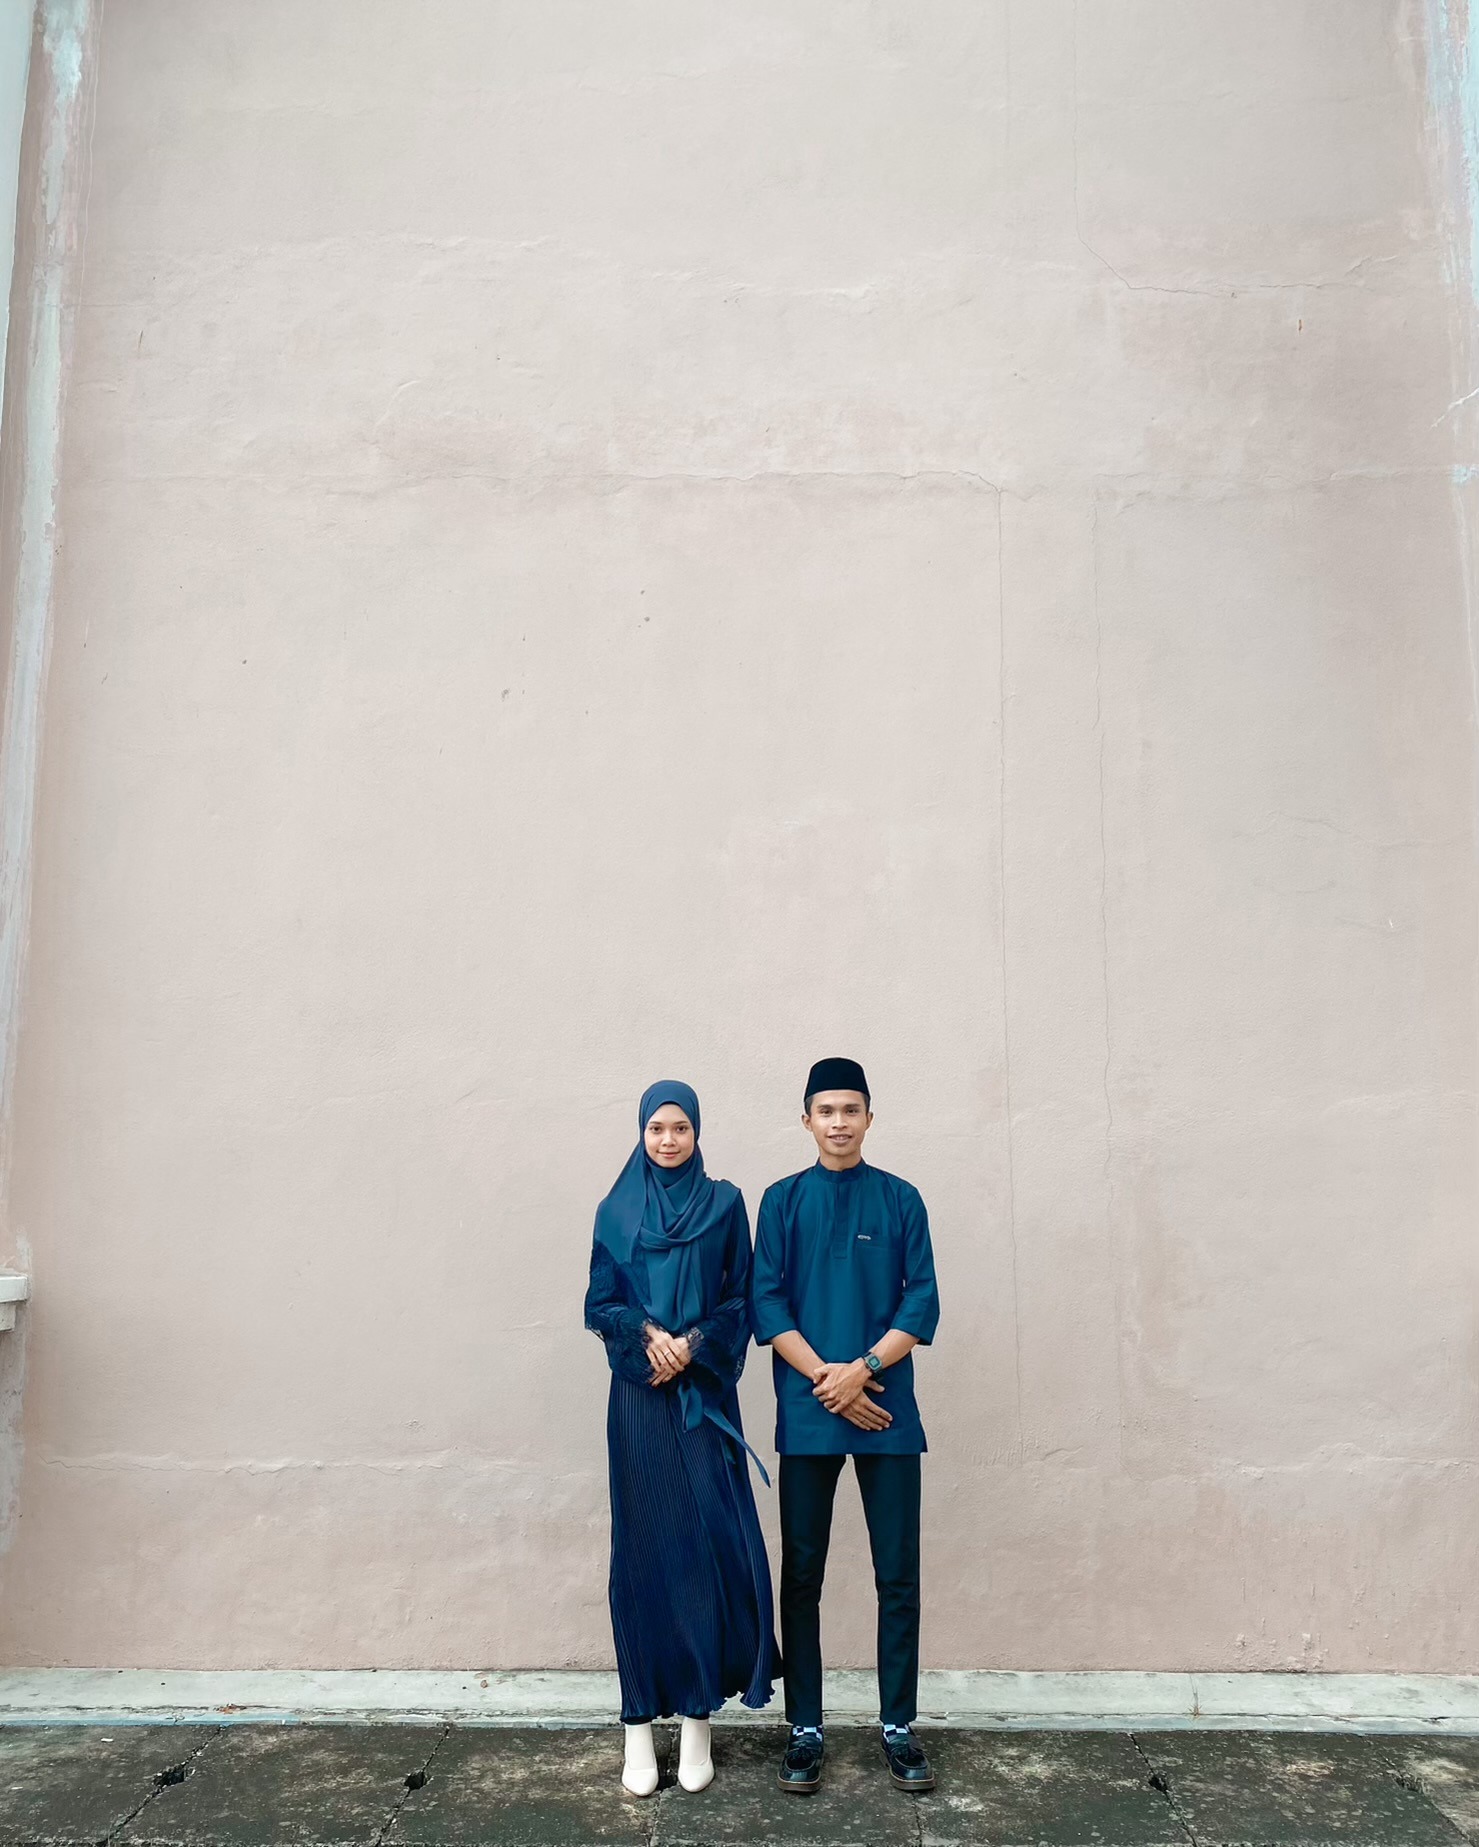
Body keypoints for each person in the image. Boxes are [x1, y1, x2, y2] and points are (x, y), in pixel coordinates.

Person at [750, 1057, 941, 1795]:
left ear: (869, 1118)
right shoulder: (781, 1201)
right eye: (825, 1110)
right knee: (801, 1574)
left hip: (885, 1407)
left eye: (850, 1109)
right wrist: (829, 1381)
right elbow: (768, 1303)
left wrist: (861, 1368)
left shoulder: (901, 1199)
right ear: (806, 1120)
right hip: (809, 1411)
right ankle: (805, 1727)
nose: (838, 1122)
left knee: (898, 1573)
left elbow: (920, 1301)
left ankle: (897, 1724)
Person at [584, 1080, 779, 1797]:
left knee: (705, 1550)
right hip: (639, 1399)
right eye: (656, 1128)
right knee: (639, 1557)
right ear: (641, 1132)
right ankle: (637, 1724)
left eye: (680, 1128)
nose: (668, 1139)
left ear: (697, 1132)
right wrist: (647, 1336)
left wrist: (692, 1343)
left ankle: (698, 1718)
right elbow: (600, 1302)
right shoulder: (615, 1210)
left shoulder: (725, 1204)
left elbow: (741, 1299)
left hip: (703, 1398)